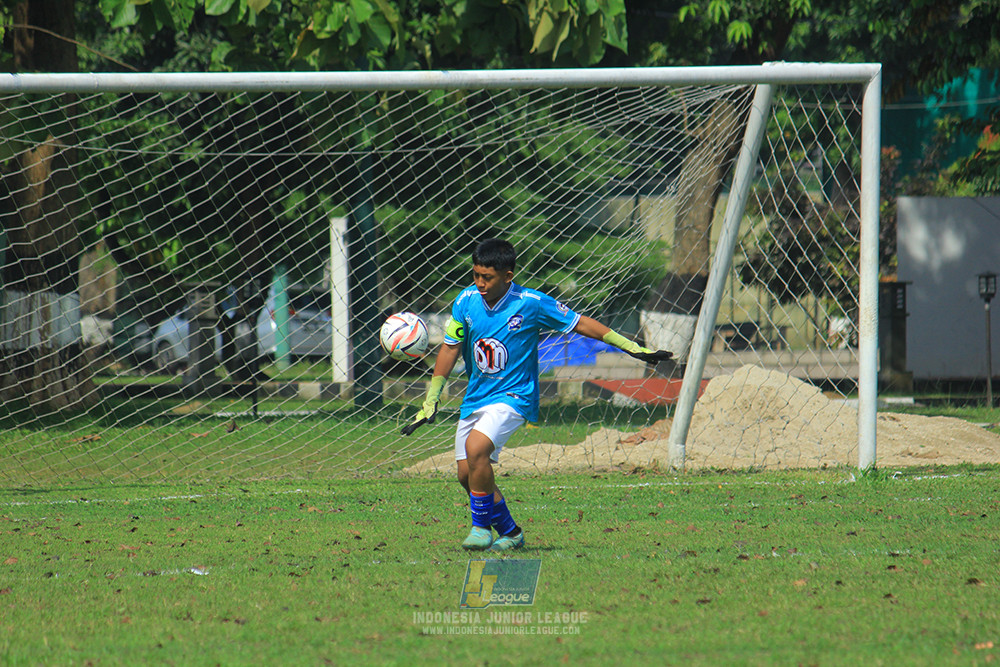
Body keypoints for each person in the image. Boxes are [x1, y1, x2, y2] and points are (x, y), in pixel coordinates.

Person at [402, 238, 671, 552]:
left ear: (508, 276)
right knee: (468, 474)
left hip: (514, 396)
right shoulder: (465, 301)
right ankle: (511, 532)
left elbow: (580, 323)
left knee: (477, 451)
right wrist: (432, 397)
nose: (480, 283)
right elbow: (450, 348)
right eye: (475, 275)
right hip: (476, 397)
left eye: (487, 277)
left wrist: (631, 347)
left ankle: (480, 529)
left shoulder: (531, 302)